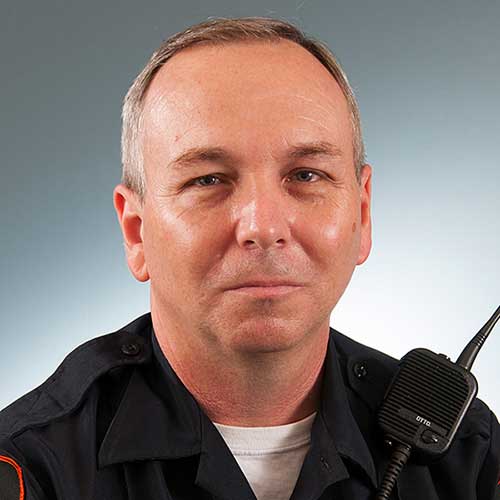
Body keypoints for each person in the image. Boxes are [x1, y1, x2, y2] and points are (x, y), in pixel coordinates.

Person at [0, 16, 498, 500]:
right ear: (136, 232)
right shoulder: (33, 466)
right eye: (207, 180)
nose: (263, 227)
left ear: (362, 215)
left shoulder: (468, 456)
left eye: (306, 175)